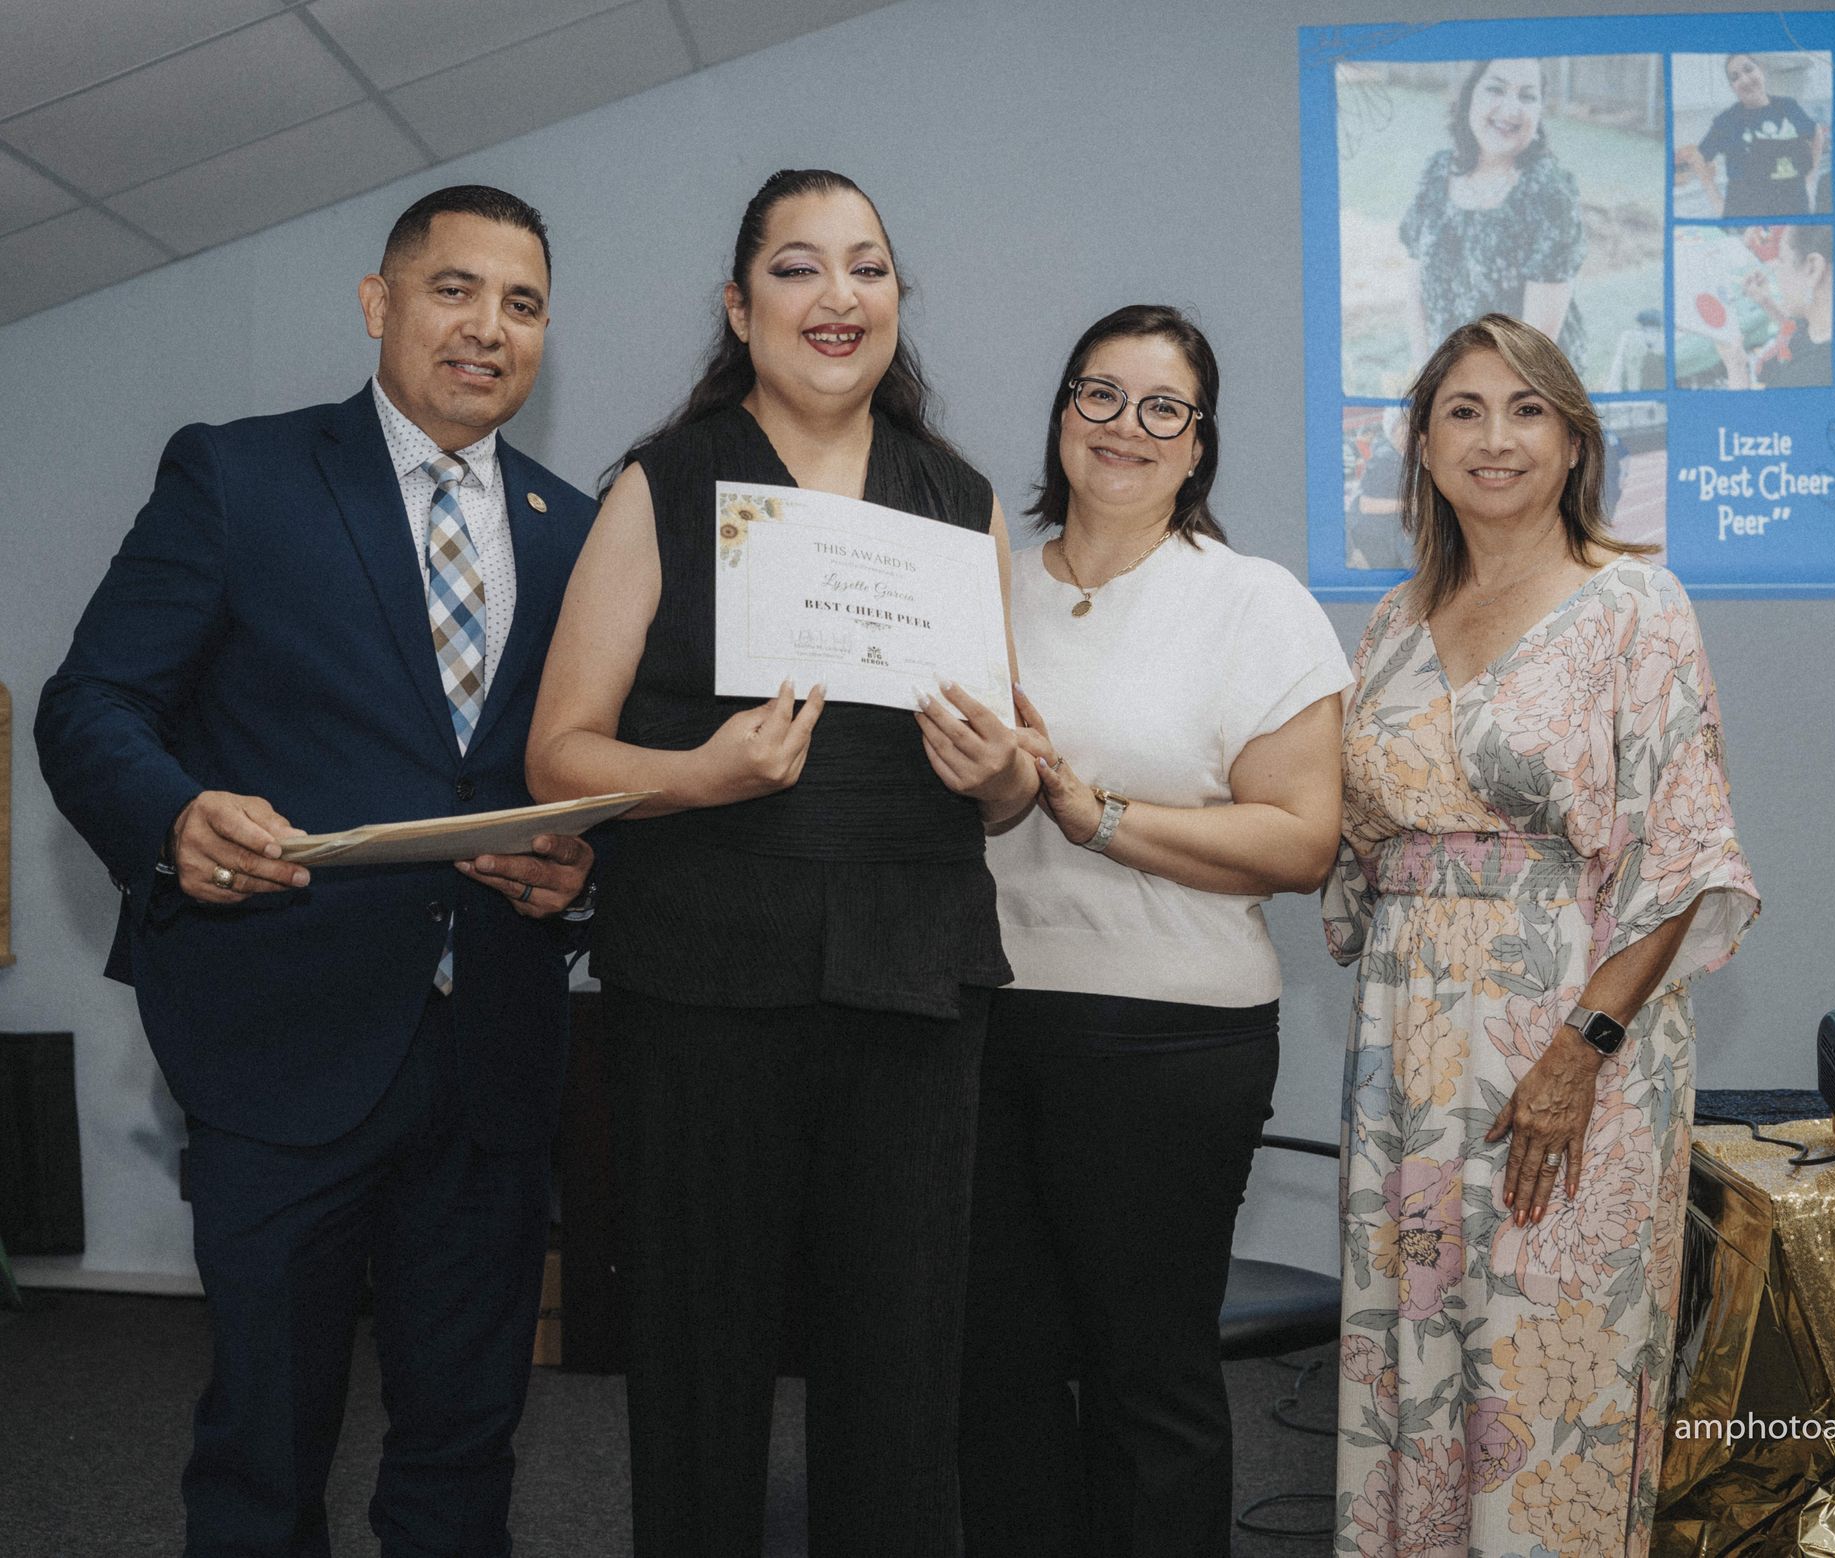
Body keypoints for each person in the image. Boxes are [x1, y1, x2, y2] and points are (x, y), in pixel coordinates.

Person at [34, 185, 598, 1556]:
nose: (487, 328)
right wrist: (173, 817)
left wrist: (585, 874)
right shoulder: (239, 475)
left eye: (521, 303)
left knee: (466, 1445)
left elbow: (585, 773)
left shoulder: (577, 529)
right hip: (281, 1042)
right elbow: (91, 703)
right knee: (264, 1448)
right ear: (378, 303)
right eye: (454, 289)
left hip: (497, 1060)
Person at [524, 168, 1032, 1558]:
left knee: (902, 1368)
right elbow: (558, 752)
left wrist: (1004, 777)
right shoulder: (663, 482)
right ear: (742, 307)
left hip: (916, 982)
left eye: (867, 267)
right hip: (701, 977)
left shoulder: (962, 501)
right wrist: (698, 773)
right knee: (701, 1356)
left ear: (895, 304)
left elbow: (1012, 775)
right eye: (800, 269)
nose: (839, 296)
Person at [1323, 313, 1759, 1556]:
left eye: (1527, 410)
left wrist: (1581, 1049)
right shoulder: (1392, 624)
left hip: (1570, 1051)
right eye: (1463, 409)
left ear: (1574, 443)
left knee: (1546, 1368)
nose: (1494, 436)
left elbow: (1682, 861)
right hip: (1407, 1057)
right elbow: (1351, 845)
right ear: (1421, 442)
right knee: (1413, 1367)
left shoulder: (1635, 604)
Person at [957, 304, 1349, 1558]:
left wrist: (1098, 812)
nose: (1125, 426)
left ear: (1198, 447)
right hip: (978, 1021)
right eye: (1098, 395)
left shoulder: (1251, 602)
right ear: (1062, 414)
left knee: (1148, 1375)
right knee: (996, 1372)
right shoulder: (982, 591)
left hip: (1171, 1040)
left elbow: (1301, 840)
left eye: (1161, 408)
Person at [1400, 58, 1587, 380]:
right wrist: (1425, 380)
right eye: (1496, 89)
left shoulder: (1550, 194)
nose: (1511, 109)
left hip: (1528, 386)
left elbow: (1535, 348)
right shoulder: (1436, 172)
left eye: (1527, 96)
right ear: (1471, 94)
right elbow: (1415, 293)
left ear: (1540, 111)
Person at [1679, 53, 1827, 219]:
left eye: (1748, 69)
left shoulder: (1788, 107)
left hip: (1795, 211)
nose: (1744, 80)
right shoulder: (1727, 120)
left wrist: (1810, 179)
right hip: (1746, 219)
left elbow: (1816, 133)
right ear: (1732, 87)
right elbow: (1698, 157)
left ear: (1761, 70)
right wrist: (1717, 202)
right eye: (1735, 77)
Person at [1715, 224, 1834, 389]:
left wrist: (1736, 368)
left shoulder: (1807, 378)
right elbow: (1799, 333)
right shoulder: (1820, 318)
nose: (1776, 271)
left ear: (1813, 268)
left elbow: (1745, 414)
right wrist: (1766, 302)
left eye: (1782, 260)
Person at [1347, 407, 1415, 570]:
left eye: (1412, 426)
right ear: (1392, 430)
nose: (1409, 431)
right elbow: (1366, 505)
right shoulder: (1384, 458)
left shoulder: (1404, 457)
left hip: (1390, 535)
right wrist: (1410, 505)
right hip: (1374, 538)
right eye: (1403, 426)